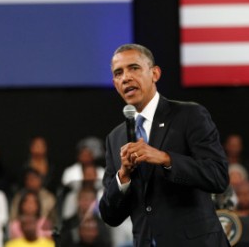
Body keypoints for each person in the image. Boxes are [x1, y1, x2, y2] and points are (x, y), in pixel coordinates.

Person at [98, 44, 230, 246]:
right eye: (118, 73)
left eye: (134, 68)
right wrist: (123, 177)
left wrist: (166, 159)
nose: (126, 77)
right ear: (115, 83)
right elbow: (110, 216)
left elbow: (218, 176)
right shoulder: (115, 138)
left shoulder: (189, 115)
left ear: (155, 74)